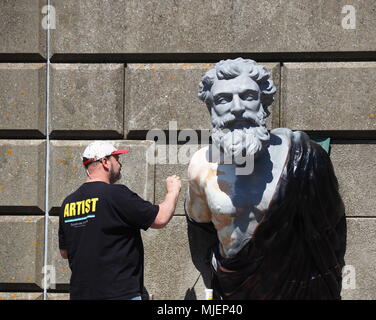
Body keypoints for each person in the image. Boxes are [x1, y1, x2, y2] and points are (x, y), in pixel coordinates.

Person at [185, 58, 346, 299]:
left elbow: (331, 232)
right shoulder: (201, 164)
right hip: (233, 287)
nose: (237, 107)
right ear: (211, 108)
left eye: (248, 96)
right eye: (223, 99)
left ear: (264, 102)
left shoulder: (305, 157)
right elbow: (199, 229)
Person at [58, 140, 181, 300]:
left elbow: (64, 252)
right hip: (119, 294)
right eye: (116, 159)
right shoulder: (115, 194)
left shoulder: (68, 202)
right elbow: (160, 218)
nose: (120, 164)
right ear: (105, 162)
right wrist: (172, 191)